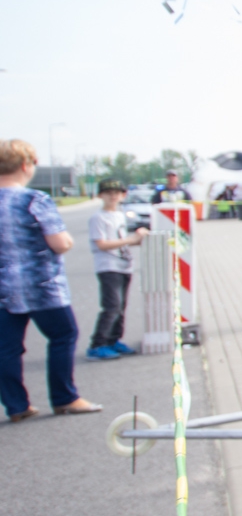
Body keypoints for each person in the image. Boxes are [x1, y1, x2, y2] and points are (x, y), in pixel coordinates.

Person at [0, 139, 101, 420]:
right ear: (26, 165)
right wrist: (67, 240)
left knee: (6, 348)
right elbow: (59, 243)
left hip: (4, 289)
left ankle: (17, 405)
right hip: (41, 285)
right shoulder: (34, 199)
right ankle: (64, 397)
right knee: (63, 335)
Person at [87, 180, 148, 360]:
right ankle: (97, 344)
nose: (113, 196)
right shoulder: (99, 218)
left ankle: (114, 339)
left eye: (117, 193)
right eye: (108, 193)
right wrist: (131, 239)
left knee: (121, 306)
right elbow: (102, 244)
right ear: (100, 195)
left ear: (123, 195)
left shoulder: (119, 216)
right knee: (111, 306)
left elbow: (122, 240)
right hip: (108, 267)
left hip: (124, 266)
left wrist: (140, 238)